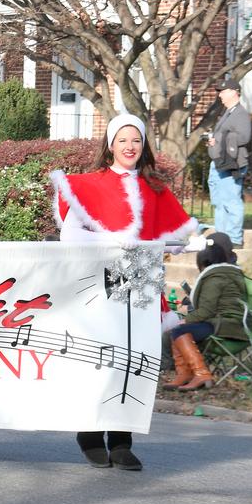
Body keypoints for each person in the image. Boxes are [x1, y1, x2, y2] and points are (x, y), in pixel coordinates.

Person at [51, 112, 196, 470]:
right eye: (123, 140)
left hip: (142, 283)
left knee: (135, 363)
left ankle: (121, 441)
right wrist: (118, 240)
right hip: (100, 282)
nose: (130, 146)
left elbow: (168, 237)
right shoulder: (89, 184)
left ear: (143, 145)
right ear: (111, 145)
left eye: (136, 140)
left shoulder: (155, 188)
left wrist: (176, 243)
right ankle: (89, 435)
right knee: (101, 360)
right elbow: (71, 235)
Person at [163, 242, 247, 391]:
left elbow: (206, 311)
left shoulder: (214, 279)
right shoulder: (228, 274)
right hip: (234, 323)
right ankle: (185, 374)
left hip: (225, 324)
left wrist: (185, 319)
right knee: (179, 329)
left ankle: (200, 374)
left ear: (204, 263)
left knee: (178, 329)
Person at [206, 78, 251, 247]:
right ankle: (222, 237)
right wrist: (214, 142)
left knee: (231, 200)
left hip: (231, 163)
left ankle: (234, 238)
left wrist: (220, 140)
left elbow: (244, 137)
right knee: (219, 202)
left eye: (223, 92)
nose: (220, 96)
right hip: (220, 162)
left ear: (234, 92)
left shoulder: (240, 113)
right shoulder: (228, 112)